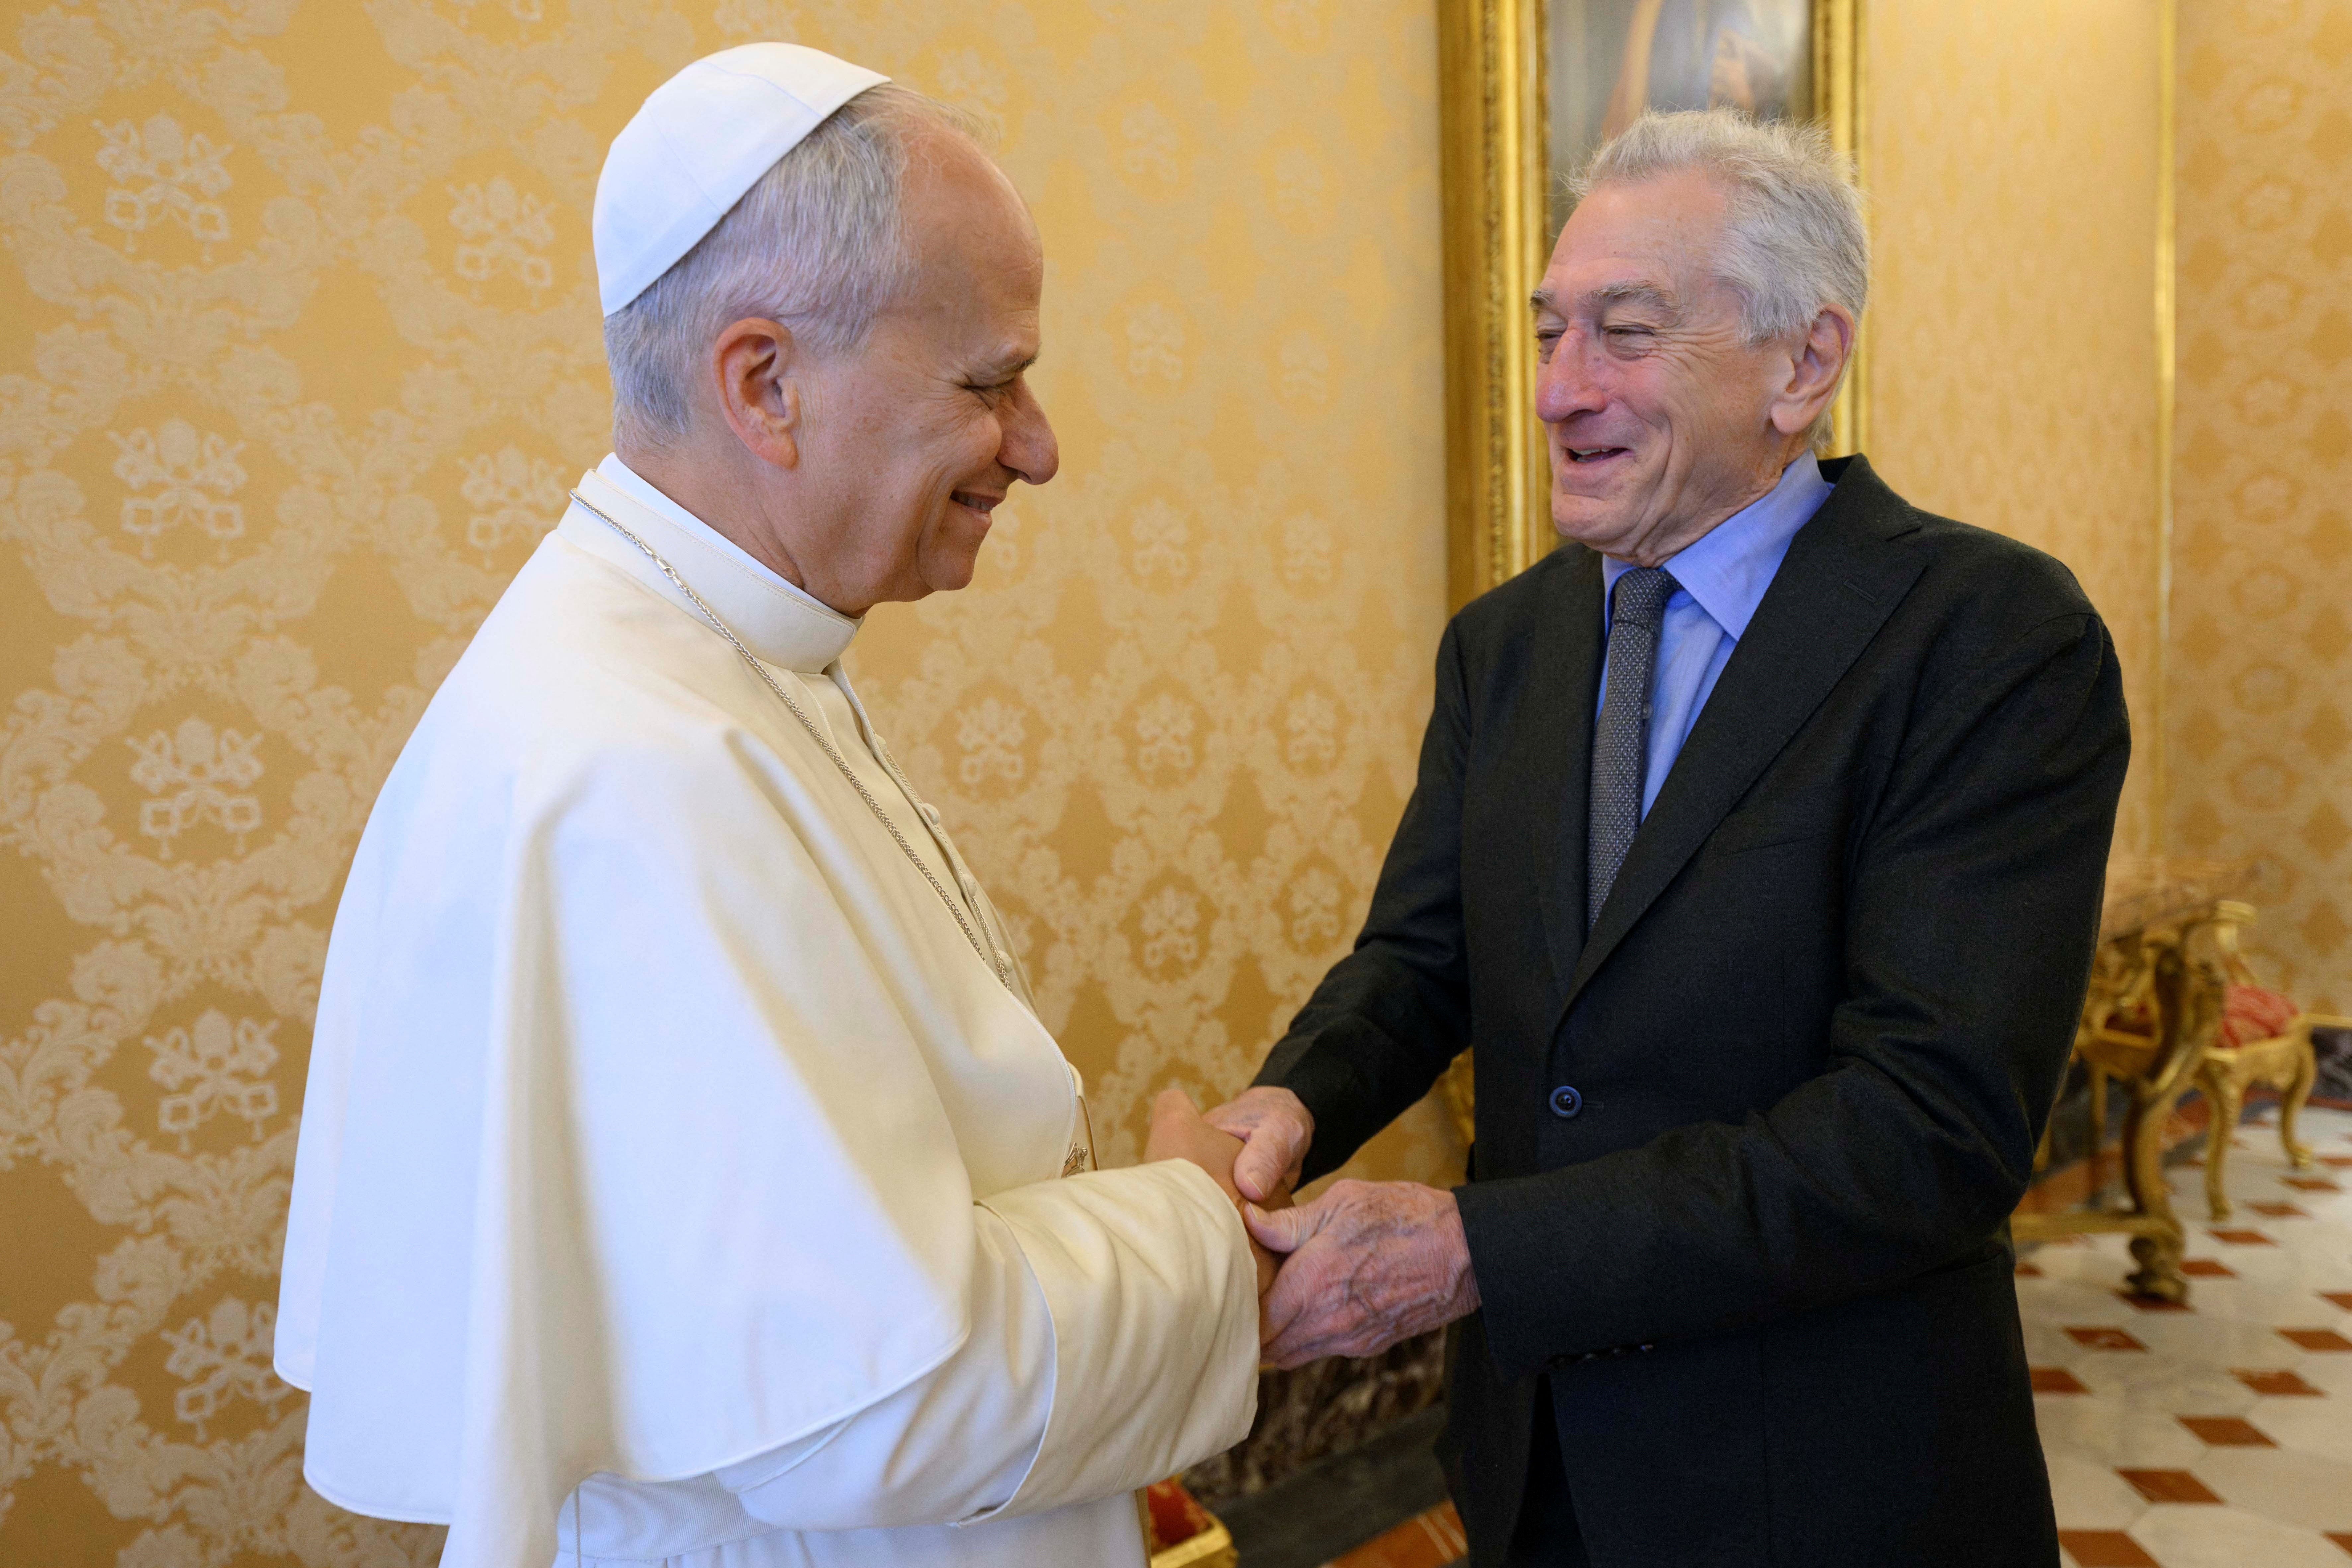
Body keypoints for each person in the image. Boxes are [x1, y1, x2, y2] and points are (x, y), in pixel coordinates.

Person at [276, 44, 1270, 1568]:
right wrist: (1202, 1231)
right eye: (990, 381)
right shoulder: (631, 762)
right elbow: (880, 1404)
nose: (1039, 445)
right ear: (765, 382)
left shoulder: (714, 657)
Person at [1208, 110, 2127, 1567]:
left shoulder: (1986, 639)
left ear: (1802, 362)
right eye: (1547, 331)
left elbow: (1926, 1127)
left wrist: (1474, 1250)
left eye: (1623, 334)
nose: (1558, 390)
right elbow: (1424, 947)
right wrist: (1293, 1098)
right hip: (1535, 1464)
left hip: (1825, 1482)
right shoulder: (1503, 641)